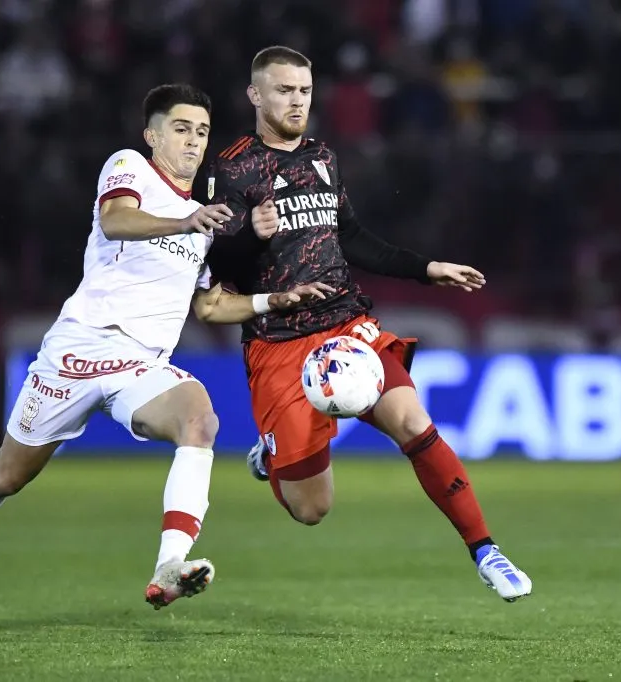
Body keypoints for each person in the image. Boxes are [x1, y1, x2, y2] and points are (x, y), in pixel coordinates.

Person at [0, 83, 334, 612]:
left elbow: (209, 307)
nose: (193, 142)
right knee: (5, 477)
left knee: (200, 420)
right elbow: (114, 219)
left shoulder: (208, 217)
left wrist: (271, 300)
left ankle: (170, 565)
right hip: (78, 350)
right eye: (181, 129)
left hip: (140, 366)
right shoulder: (131, 169)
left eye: (202, 132)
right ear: (152, 135)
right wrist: (182, 221)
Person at [207, 47, 532, 601]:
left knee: (412, 422)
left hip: (345, 324)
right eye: (284, 90)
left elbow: (351, 239)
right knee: (312, 509)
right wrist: (248, 238)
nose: (297, 101)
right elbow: (218, 273)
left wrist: (427, 269)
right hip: (279, 341)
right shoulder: (231, 168)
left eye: (305, 90)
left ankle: (486, 550)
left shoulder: (323, 157)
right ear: (256, 95)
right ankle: (272, 455)